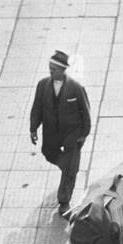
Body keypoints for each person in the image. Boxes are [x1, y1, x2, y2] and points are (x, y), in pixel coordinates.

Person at [29, 50, 92, 218]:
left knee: (70, 169)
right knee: (49, 154)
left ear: (63, 70)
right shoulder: (43, 85)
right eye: (49, 68)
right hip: (51, 133)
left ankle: (64, 201)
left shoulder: (76, 88)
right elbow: (37, 108)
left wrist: (84, 134)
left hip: (72, 134)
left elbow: (86, 112)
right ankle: (68, 168)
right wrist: (33, 128)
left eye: (54, 69)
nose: (50, 72)